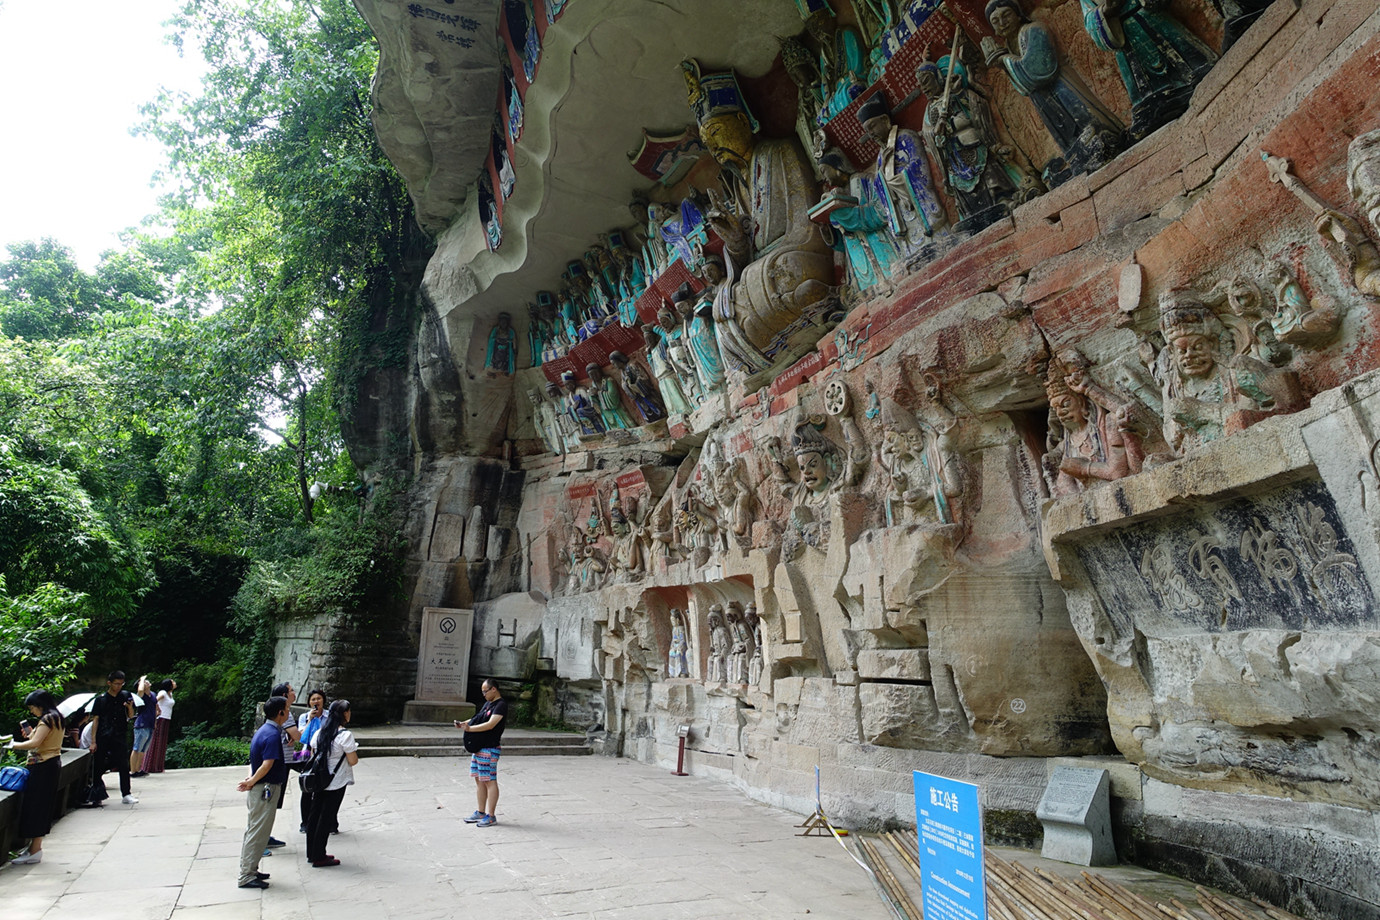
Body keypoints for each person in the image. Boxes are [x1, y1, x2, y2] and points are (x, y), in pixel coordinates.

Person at [236, 695, 291, 890]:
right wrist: (251, 781)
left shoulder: (265, 731)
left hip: (260, 788)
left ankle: (251, 869)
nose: (289, 711)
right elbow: (267, 764)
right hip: (264, 789)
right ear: (280, 713)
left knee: (255, 830)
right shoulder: (272, 734)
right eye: (287, 708)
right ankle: (246, 875)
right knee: (258, 832)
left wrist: (251, 781)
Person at [4, 690, 65, 864]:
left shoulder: (47, 719)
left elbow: (35, 744)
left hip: (43, 766)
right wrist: (31, 733)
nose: (32, 711)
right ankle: (33, 848)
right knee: (41, 806)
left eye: (32, 707)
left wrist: (11, 745)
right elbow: (41, 739)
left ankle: (35, 850)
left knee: (36, 807)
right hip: (51, 764)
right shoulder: (57, 717)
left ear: (40, 705)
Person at [304, 700, 359, 867]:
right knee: (326, 818)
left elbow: (314, 754)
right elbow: (353, 760)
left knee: (314, 815)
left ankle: (311, 853)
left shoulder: (320, 733)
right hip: (336, 781)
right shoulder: (345, 736)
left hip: (319, 780)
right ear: (344, 714)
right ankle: (319, 855)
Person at [455, 679, 507, 827]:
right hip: (479, 748)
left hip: (489, 749)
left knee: (489, 781)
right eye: (482, 691)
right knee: (479, 780)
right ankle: (480, 811)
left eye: (485, 691)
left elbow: (490, 724)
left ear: (494, 689)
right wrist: (464, 724)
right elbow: (476, 719)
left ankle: (491, 815)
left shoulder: (501, 705)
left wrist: (470, 729)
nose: (483, 694)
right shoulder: (487, 704)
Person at [88, 670, 138, 805]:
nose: (119, 686)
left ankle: (126, 793)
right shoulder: (101, 699)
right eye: (116, 684)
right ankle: (97, 794)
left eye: (121, 683)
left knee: (123, 764)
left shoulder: (126, 696)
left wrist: (129, 707)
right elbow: (96, 720)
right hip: (103, 735)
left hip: (119, 734)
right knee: (98, 765)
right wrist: (93, 741)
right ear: (109, 683)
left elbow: (130, 716)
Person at [296, 689, 327, 833]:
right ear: (309, 702)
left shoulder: (329, 716)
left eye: (319, 699)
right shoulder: (304, 716)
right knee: (307, 787)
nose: (316, 702)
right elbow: (301, 735)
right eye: (313, 699)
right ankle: (305, 822)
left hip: (324, 754)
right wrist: (310, 720)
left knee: (323, 788)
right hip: (307, 754)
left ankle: (325, 821)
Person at [142, 678, 176, 775]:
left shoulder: (170, 694)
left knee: (162, 743)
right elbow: (154, 700)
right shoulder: (163, 693)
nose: (174, 683)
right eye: (173, 682)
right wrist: (156, 710)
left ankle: (158, 766)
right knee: (155, 741)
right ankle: (149, 766)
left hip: (167, 719)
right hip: (160, 718)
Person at [129, 675, 157, 777]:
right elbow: (140, 691)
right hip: (141, 724)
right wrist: (141, 679)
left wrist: (155, 722)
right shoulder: (140, 696)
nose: (147, 682)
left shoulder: (153, 695)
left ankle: (138, 769)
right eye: (145, 682)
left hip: (150, 724)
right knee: (137, 748)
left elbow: (154, 709)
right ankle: (133, 771)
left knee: (143, 749)